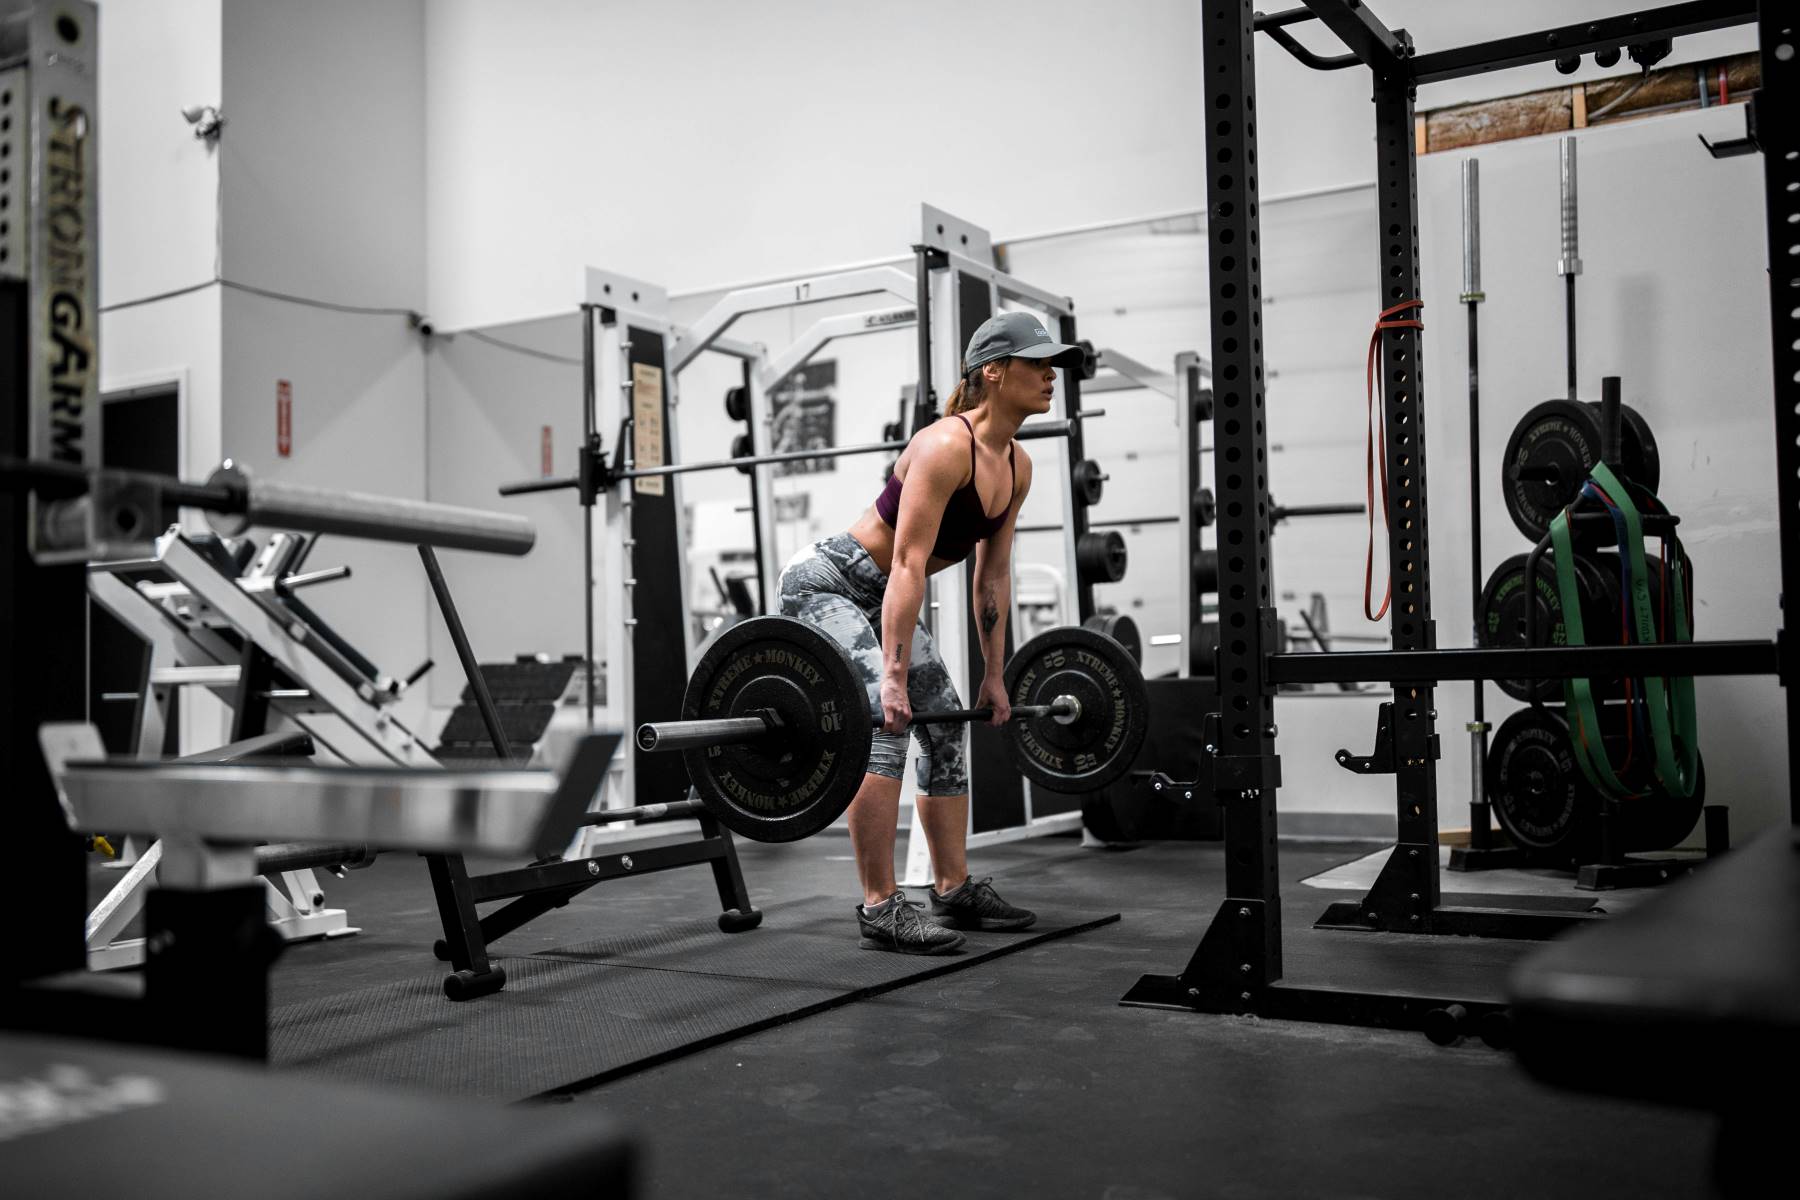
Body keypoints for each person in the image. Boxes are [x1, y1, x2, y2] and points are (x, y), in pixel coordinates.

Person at [777, 312, 1085, 953]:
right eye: (1037, 362)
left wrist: (995, 674)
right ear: (993, 372)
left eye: (1052, 363)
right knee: (884, 727)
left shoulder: (1016, 465)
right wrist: (890, 679)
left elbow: (991, 579)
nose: (1050, 374)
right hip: (831, 583)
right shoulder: (947, 446)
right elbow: (909, 564)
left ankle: (951, 888)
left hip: (884, 593)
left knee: (944, 721)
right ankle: (881, 906)